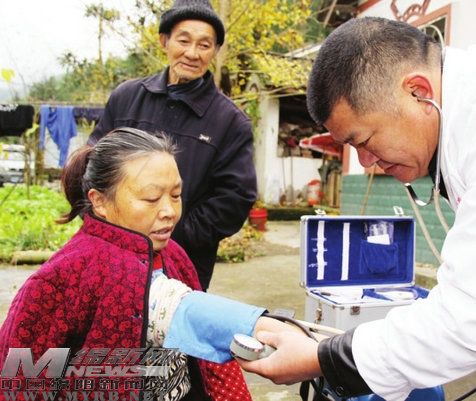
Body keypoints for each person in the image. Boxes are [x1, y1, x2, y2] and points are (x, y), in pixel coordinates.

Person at [238, 17, 476, 401]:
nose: (365, 162)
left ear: (417, 91)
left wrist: (321, 358)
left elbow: (466, 320)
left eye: (364, 140)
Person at [0, 128, 287, 401]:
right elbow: (19, 383)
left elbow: (204, 352)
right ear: (99, 201)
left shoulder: (174, 254)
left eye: (176, 195)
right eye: (151, 198)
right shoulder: (63, 277)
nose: (169, 211)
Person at [88, 0, 256, 290]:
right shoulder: (126, 98)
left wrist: (172, 234)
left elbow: (235, 199)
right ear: (164, 41)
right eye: (183, 41)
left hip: (181, 266)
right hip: (111, 256)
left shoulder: (230, 122)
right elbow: (91, 165)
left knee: (170, 319)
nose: (192, 53)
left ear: (216, 51)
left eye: (204, 45)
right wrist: (112, 227)